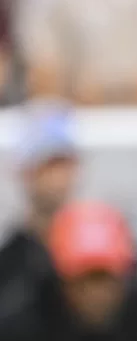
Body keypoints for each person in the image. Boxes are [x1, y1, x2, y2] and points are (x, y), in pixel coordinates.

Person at [1, 201, 137, 341]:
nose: (96, 294)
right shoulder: (20, 330)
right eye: (83, 279)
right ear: (60, 279)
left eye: (105, 278)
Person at [0, 106, 77, 320]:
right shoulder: (10, 257)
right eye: (48, 166)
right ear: (26, 172)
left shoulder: (97, 247)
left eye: (64, 164)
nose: (59, 177)